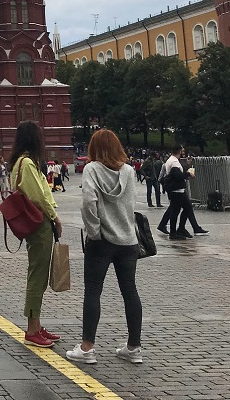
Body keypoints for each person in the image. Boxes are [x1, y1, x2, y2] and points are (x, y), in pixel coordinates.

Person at [66, 129, 143, 365]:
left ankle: (87, 348)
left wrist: (95, 231)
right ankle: (133, 347)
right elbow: (131, 202)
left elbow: (89, 202)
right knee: (130, 291)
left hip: (102, 242)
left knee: (93, 291)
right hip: (128, 240)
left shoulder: (91, 169)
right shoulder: (129, 171)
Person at [6, 121, 62, 348]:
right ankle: (31, 329)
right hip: (40, 223)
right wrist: (55, 218)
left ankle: (36, 324)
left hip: (36, 223)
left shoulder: (19, 162)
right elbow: (39, 196)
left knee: (38, 274)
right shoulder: (27, 163)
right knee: (38, 275)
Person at [158, 147, 208, 240]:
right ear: (179, 151)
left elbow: (177, 173)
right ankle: (174, 232)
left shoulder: (172, 160)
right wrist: (189, 174)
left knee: (186, 208)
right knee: (176, 211)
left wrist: (186, 166)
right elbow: (178, 175)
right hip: (177, 190)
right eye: (182, 150)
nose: (183, 152)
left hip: (178, 190)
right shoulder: (174, 162)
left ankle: (181, 229)